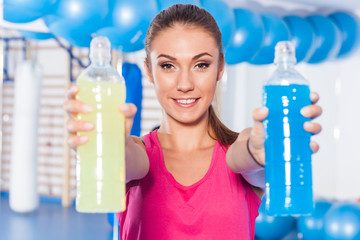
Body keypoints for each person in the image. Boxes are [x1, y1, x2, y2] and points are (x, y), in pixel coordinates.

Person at [64, 4, 322, 240]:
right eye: (168, 66)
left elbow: (244, 157)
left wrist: (259, 152)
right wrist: (105, 146)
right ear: (149, 71)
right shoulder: (138, 156)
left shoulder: (239, 152)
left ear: (220, 67)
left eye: (200, 64)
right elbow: (126, 159)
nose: (185, 84)